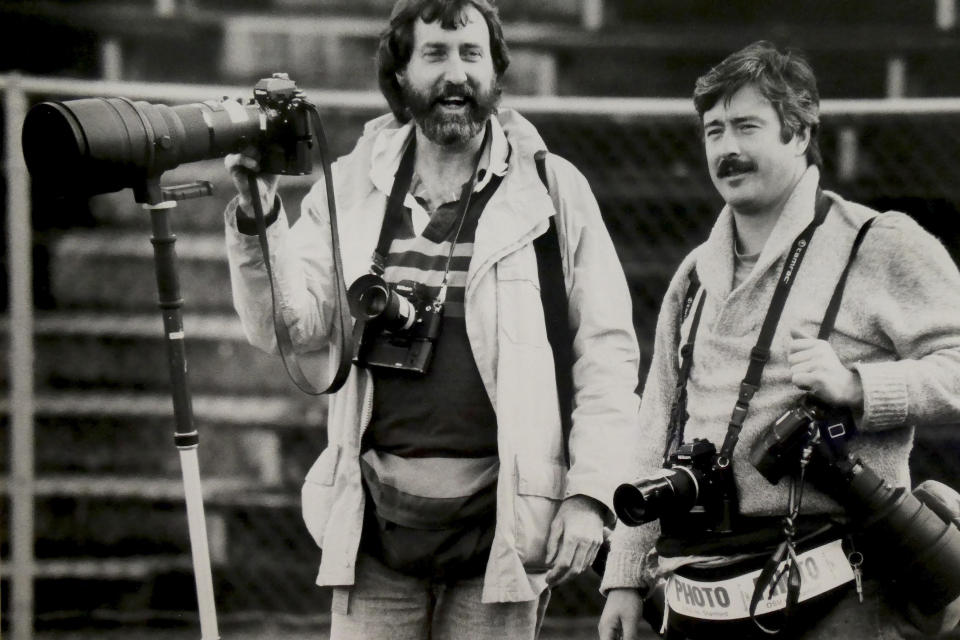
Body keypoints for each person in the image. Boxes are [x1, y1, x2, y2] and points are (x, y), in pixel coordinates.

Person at [222, 1, 640, 638]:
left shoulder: (550, 189)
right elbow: (288, 326)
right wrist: (258, 219)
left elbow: (606, 354)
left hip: (501, 535)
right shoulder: (352, 187)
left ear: (496, 71)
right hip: (374, 537)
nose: (456, 74)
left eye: (472, 55)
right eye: (435, 55)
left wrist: (589, 496)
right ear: (400, 75)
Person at [598, 40, 960, 640]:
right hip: (701, 590)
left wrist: (859, 386)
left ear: (798, 131)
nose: (727, 149)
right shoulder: (693, 275)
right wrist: (625, 575)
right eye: (714, 131)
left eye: (747, 126)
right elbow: (656, 423)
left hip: (840, 586)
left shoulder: (879, 241)